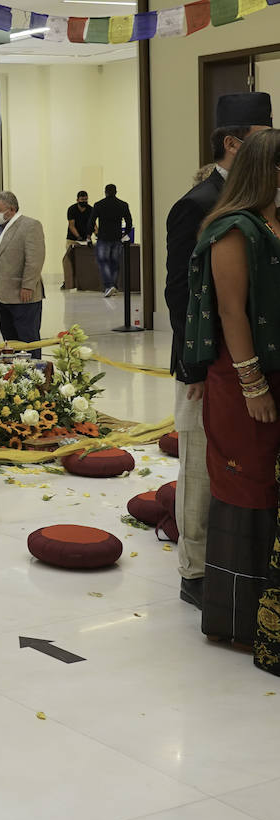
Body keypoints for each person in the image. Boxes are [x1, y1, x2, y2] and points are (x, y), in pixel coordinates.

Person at [165, 92, 272, 609]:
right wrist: (195, 366)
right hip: (207, 362)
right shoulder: (200, 204)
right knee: (200, 466)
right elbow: (182, 295)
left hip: (244, 361)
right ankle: (196, 570)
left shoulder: (258, 206)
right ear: (234, 144)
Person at [183, 128, 280, 654]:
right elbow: (231, 312)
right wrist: (253, 384)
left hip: (275, 373)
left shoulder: (273, 222)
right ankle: (240, 619)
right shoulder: (233, 229)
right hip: (244, 384)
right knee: (249, 488)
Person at [0, 191, 45, 355]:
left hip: (22, 294)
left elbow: (35, 260)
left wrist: (28, 286)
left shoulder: (30, 226)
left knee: (27, 338)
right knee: (9, 339)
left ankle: (35, 373)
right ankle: (15, 374)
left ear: (12, 209)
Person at [91, 184, 133, 297]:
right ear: (116, 192)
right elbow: (129, 221)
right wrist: (125, 233)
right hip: (116, 237)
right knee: (115, 262)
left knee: (103, 261)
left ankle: (109, 285)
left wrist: (89, 234)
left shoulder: (99, 205)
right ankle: (113, 285)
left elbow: (91, 221)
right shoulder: (123, 205)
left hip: (103, 237)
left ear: (105, 192)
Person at [62, 190, 94, 290]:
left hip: (86, 239)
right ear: (77, 200)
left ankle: (84, 283)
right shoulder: (72, 209)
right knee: (70, 260)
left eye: (86, 199)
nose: (84, 201)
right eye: (82, 199)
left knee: (85, 261)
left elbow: (93, 224)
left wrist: (97, 233)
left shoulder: (90, 209)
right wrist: (78, 237)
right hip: (72, 239)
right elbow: (71, 225)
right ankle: (68, 282)